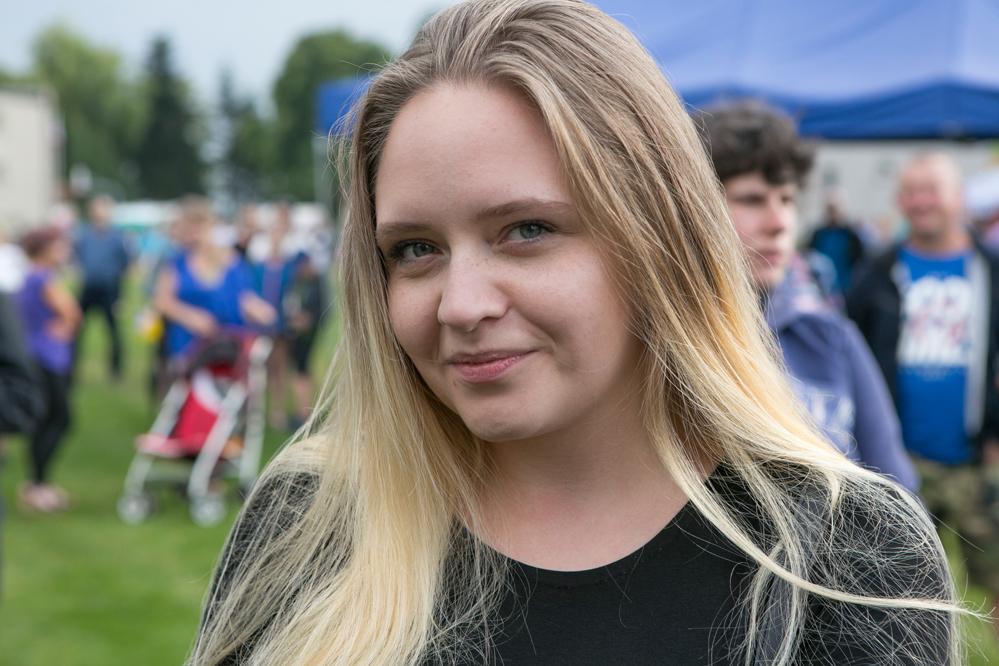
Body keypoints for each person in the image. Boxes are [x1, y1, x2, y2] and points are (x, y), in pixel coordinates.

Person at [192, 2, 960, 665]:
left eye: (526, 230)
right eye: (415, 249)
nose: (460, 305)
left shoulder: (846, 556)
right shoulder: (309, 522)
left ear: (658, 237)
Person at [695, 102, 918, 493]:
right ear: (694, 206)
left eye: (787, 199)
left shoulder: (830, 336)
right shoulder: (660, 342)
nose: (779, 222)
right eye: (751, 199)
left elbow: (899, 492)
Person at [847, 151, 999, 635]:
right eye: (911, 191)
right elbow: (850, 354)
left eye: (931, 189)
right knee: (902, 594)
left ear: (958, 195)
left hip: (978, 461)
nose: (921, 201)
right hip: (899, 465)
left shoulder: (990, 268)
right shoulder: (877, 272)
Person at [153, 196, 276, 362]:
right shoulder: (175, 263)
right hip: (188, 349)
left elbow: (244, 296)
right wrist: (191, 317)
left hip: (229, 347)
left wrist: (261, 310)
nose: (194, 234)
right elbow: (163, 302)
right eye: (190, 227)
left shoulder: (231, 260)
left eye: (199, 226)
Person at [16, 227, 81, 513]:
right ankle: (37, 485)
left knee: (46, 420)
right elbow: (72, 312)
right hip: (48, 358)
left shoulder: (28, 277)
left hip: (35, 355)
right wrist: (65, 327)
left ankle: (38, 483)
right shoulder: (45, 278)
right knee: (59, 419)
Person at [74, 195, 131, 380]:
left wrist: (121, 296)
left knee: (113, 332)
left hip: (109, 290)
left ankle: (116, 369)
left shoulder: (117, 238)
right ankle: (71, 365)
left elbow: (124, 266)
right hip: (88, 289)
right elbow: (77, 258)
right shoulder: (84, 236)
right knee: (76, 328)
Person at [808, 188, 867, 293]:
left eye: (835, 209)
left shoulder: (851, 235)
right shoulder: (819, 234)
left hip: (846, 288)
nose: (832, 212)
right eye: (829, 209)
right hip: (822, 288)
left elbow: (860, 263)